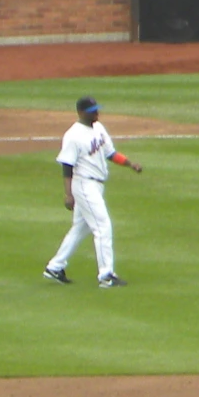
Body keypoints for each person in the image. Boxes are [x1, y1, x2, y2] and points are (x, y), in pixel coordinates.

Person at [43, 94, 140, 288]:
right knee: (102, 226)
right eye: (91, 111)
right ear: (80, 113)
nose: (96, 113)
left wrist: (130, 164)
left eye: (96, 109)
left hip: (96, 184)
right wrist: (68, 194)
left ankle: (54, 267)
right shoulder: (73, 135)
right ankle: (106, 275)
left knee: (81, 228)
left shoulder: (99, 128)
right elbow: (67, 166)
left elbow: (110, 153)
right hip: (84, 185)